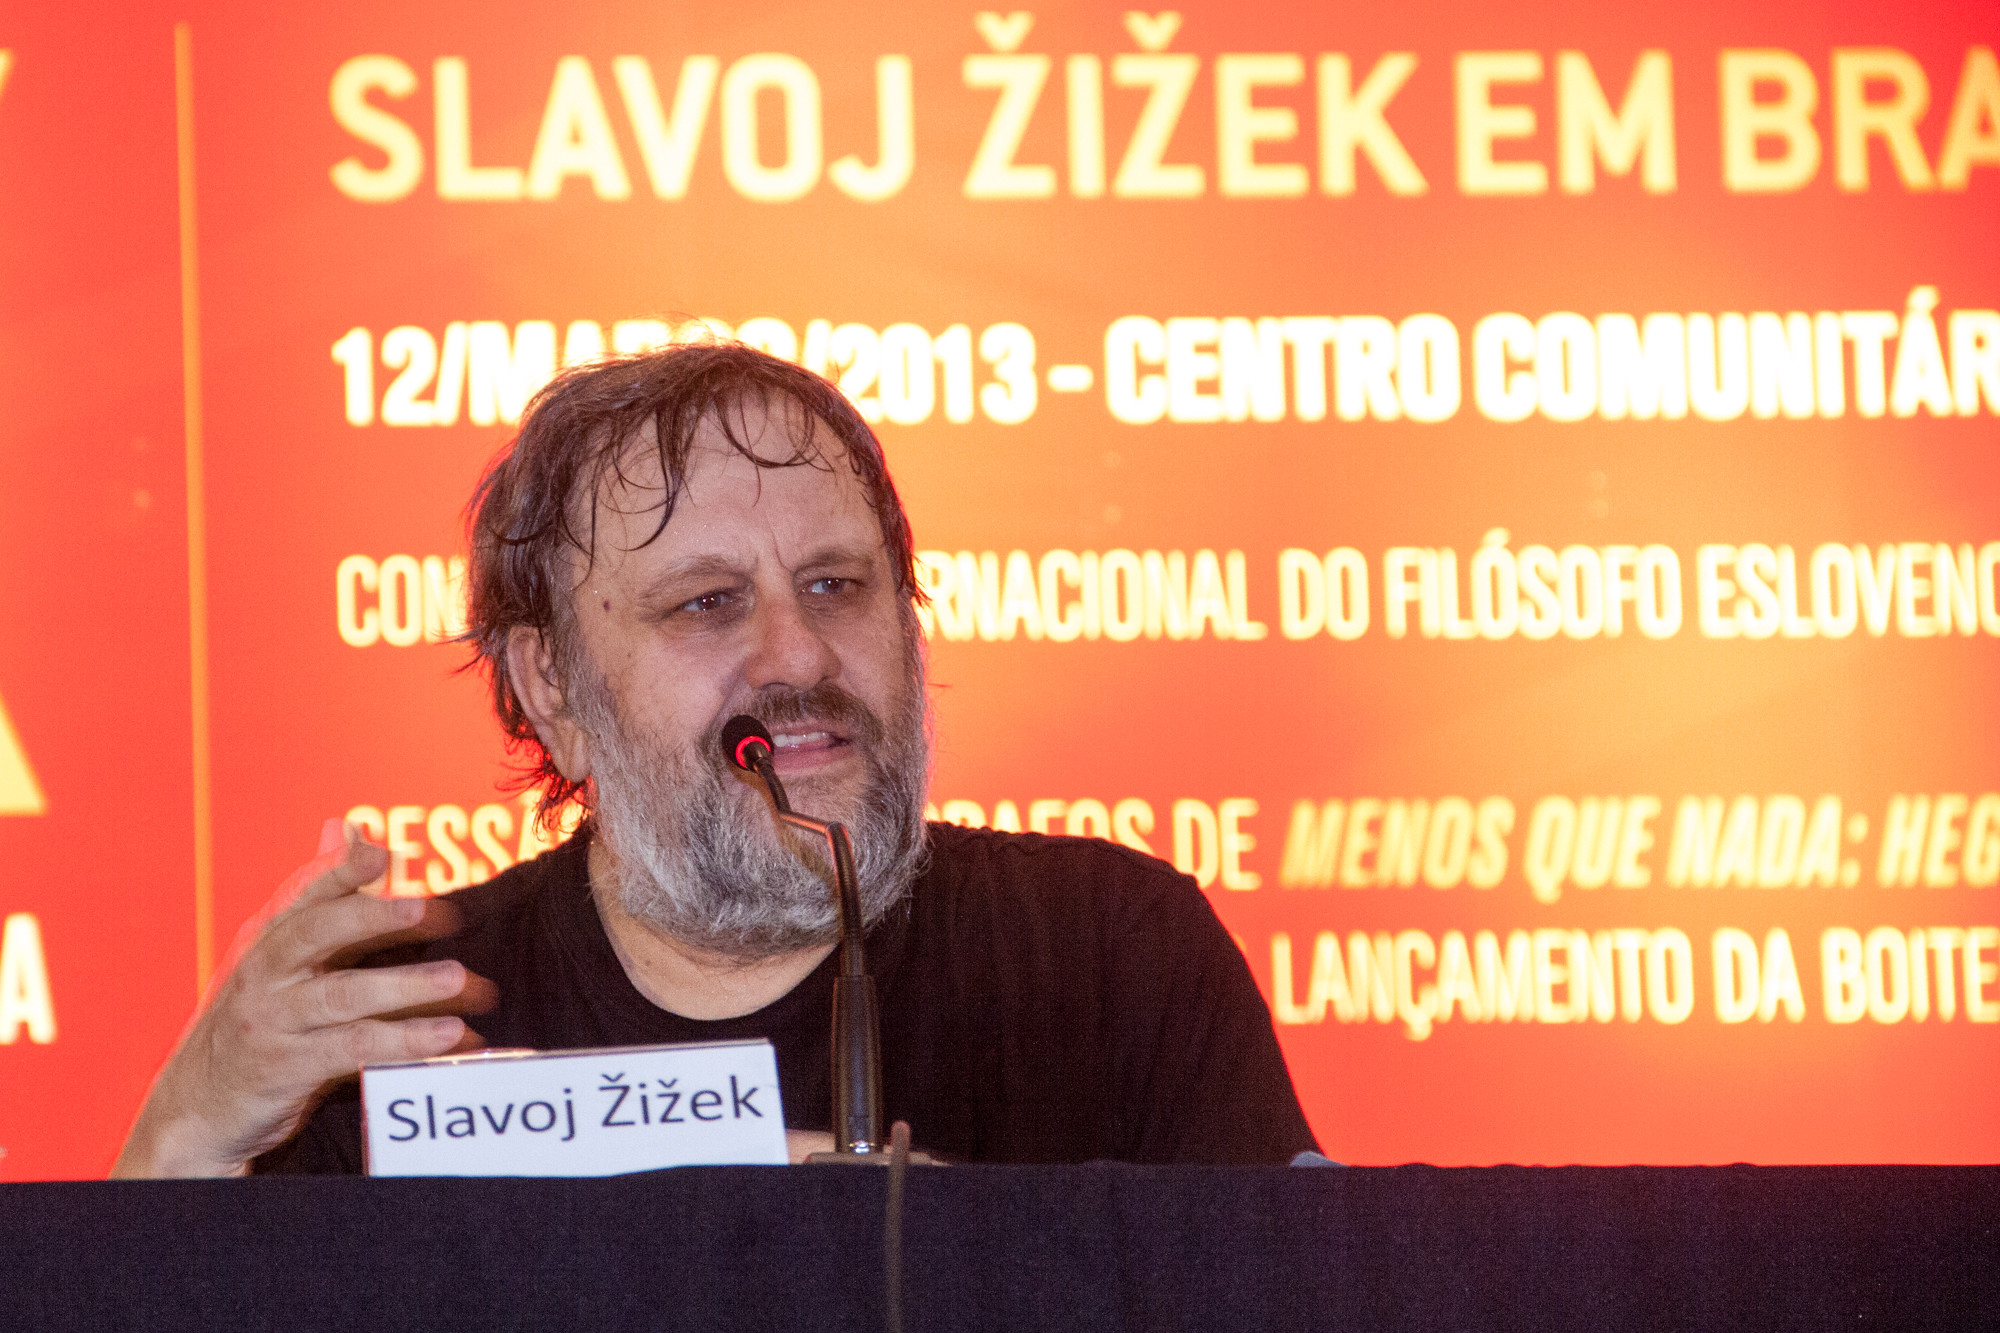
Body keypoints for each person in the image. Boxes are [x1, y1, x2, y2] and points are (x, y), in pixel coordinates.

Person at [112, 342, 1317, 1176]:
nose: (797, 653)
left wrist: (935, 1238)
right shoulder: (403, 1027)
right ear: (552, 685)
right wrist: (185, 1136)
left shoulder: (1111, 952)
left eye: (836, 585)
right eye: (705, 603)